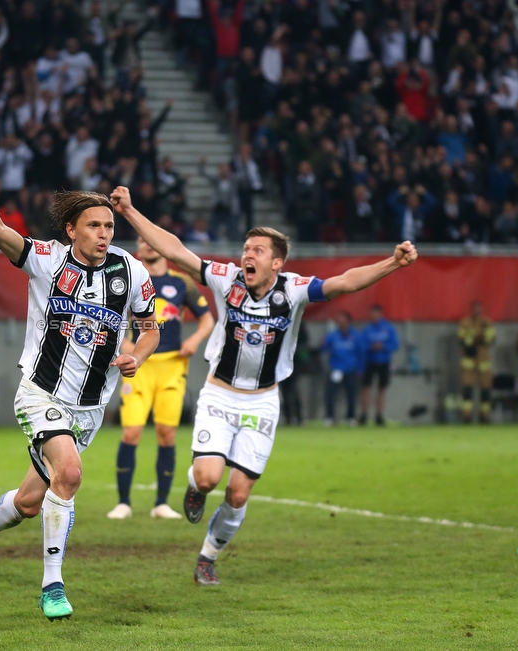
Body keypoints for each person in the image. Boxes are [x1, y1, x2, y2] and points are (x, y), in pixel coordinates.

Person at [110, 184, 416, 586]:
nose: (246, 255)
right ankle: (194, 489)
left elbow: (346, 282)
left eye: (257, 250)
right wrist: (130, 211)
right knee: (206, 477)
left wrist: (391, 263)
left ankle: (208, 557)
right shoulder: (225, 278)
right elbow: (174, 250)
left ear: (277, 263)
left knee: (238, 494)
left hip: (262, 402)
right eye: (246, 247)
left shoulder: (295, 289)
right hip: (219, 394)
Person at [0, 146, 160, 621]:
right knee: (72, 474)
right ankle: (52, 586)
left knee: (28, 501)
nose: (104, 234)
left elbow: (150, 329)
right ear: (71, 230)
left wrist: (136, 357)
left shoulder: (132, 272)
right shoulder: (47, 260)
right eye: (94, 226)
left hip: (89, 408)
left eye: (109, 226)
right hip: (40, 392)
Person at [108, 237, 215, 520]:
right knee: (131, 432)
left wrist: (194, 340)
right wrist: (122, 345)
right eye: (143, 240)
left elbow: (207, 319)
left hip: (172, 366)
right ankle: (123, 502)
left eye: (154, 240)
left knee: (167, 434)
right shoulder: (128, 278)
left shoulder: (183, 283)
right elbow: (109, 317)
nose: (150, 244)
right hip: (139, 366)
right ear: (138, 248)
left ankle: (161, 503)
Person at [359, 304, 399, 425]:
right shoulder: (367, 329)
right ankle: (364, 415)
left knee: (382, 389)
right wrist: (371, 347)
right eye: (372, 313)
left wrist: (383, 346)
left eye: (376, 313)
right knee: (366, 388)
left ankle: (379, 415)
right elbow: (362, 345)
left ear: (380, 314)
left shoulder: (388, 328)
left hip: (384, 362)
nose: (374, 316)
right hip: (370, 361)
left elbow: (395, 344)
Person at [323, 311, 364, 426]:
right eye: (339, 321)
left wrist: (360, 370)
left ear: (349, 322)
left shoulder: (355, 336)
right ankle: (329, 417)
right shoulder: (333, 336)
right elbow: (324, 347)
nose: (341, 323)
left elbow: (361, 354)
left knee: (351, 395)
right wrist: (323, 344)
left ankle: (350, 417)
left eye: (343, 321)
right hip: (336, 369)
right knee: (330, 395)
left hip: (350, 370)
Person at [458, 300, 496, 422]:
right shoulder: (465, 323)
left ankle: (484, 416)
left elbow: (491, 339)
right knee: (467, 389)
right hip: (469, 361)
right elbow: (461, 339)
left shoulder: (487, 323)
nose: (477, 311)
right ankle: (467, 416)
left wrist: (481, 338)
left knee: (485, 389)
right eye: (475, 309)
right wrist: (475, 339)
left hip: (484, 361)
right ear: (471, 309)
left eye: (479, 309)